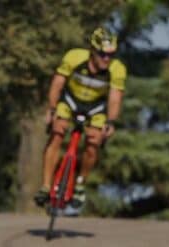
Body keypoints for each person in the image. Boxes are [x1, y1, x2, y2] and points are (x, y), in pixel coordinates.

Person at [34, 27, 127, 208]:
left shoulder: (117, 69)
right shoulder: (74, 57)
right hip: (70, 101)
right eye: (102, 54)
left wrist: (111, 121)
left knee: (93, 142)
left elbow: (115, 97)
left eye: (111, 55)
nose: (107, 59)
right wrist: (52, 109)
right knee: (57, 133)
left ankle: (80, 184)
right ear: (92, 50)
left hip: (96, 107)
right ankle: (45, 186)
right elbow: (57, 83)